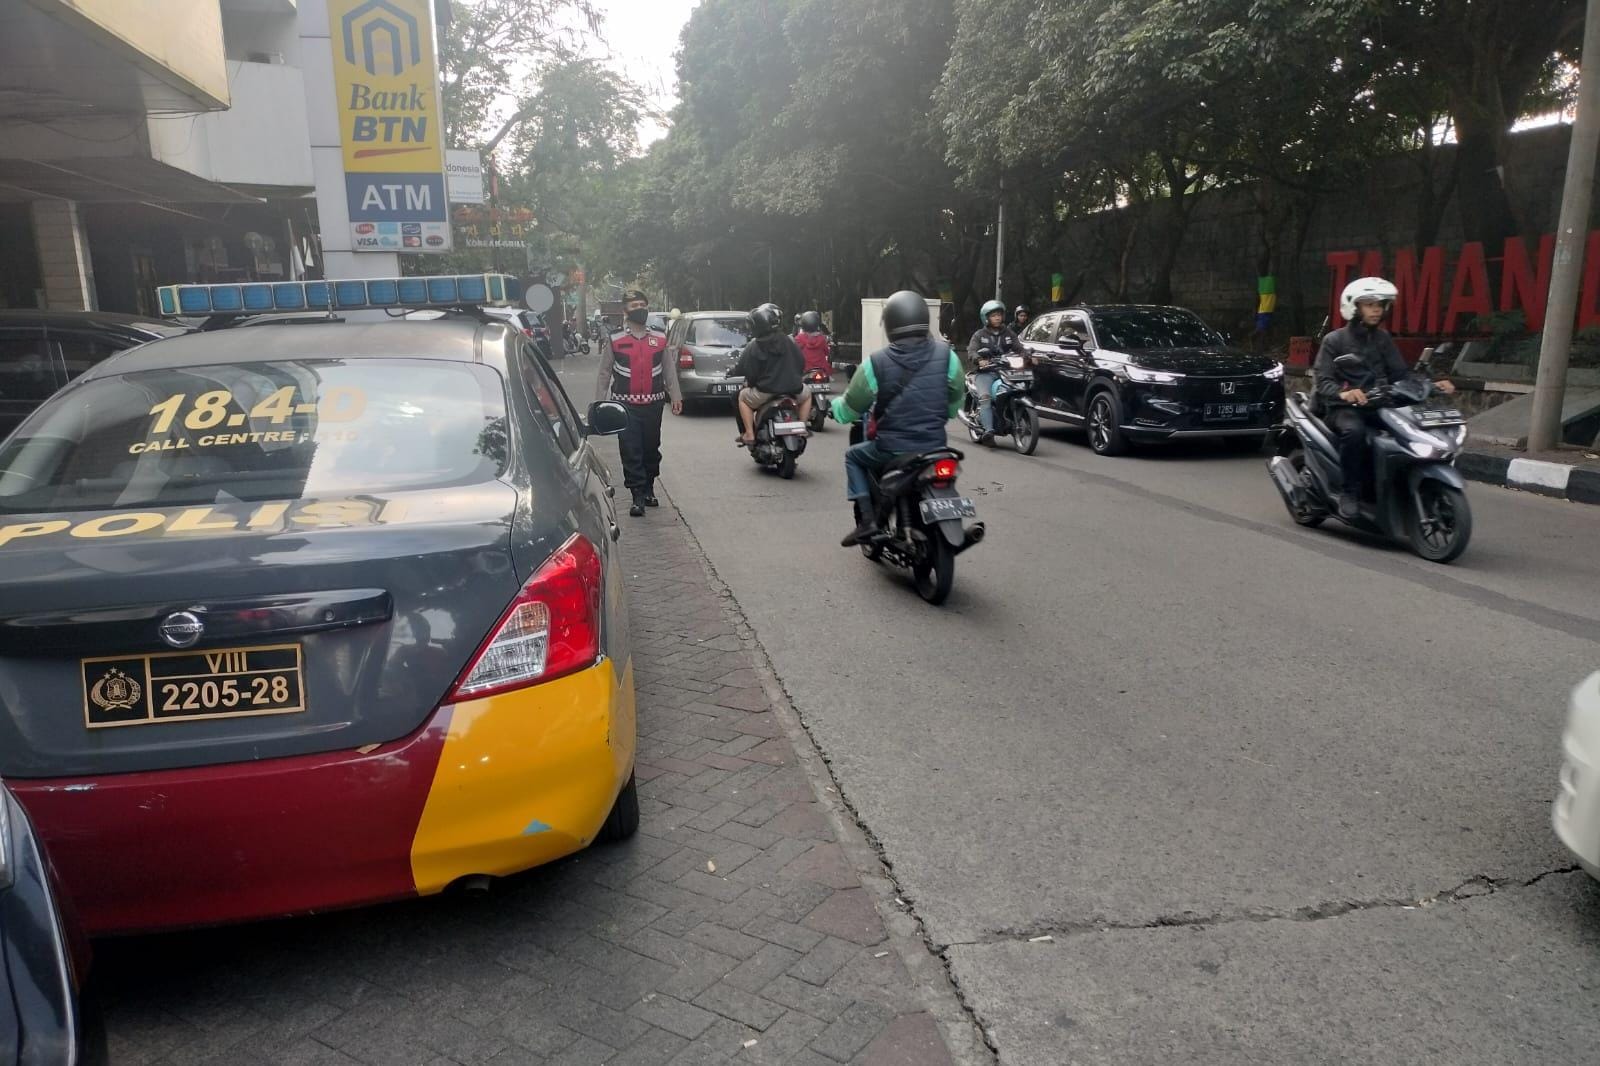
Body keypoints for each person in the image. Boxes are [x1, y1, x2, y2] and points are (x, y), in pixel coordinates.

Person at [831, 290, 965, 546]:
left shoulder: (875, 363)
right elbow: (954, 400)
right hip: (935, 447)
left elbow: (850, 409)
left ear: (890, 325)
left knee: (853, 457)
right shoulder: (948, 357)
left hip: (892, 449)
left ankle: (868, 521)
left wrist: (834, 408)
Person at [1314, 276, 1455, 519]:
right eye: (1369, 304)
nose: (1376, 310)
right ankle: (1350, 492)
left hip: (1380, 405)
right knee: (1355, 432)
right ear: (1354, 307)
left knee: (1411, 430)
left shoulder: (1383, 338)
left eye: (1380, 304)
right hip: (1343, 409)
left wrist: (1432, 385)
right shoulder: (1334, 340)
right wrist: (1344, 393)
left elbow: (1401, 374)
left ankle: (1403, 485)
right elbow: (1323, 380)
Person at [595, 288, 682, 517]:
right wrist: (599, 404)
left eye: (642, 305)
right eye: (634, 306)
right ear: (625, 311)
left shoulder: (659, 338)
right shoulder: (615, 339)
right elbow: (604, 373)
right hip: (625, 407)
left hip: (654, 404)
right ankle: (637, 496)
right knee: (631, 449)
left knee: (651, 448)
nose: (640, 309)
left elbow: (669, 369)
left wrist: (676, 396)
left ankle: (649, 488)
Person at [732, 303, 809, 445]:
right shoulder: (789, 340)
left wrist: (748, 381)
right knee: (808, 394)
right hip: (793, 389)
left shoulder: (754, 345)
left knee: (741, 397)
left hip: (765, 391)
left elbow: (748, 371)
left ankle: (749, 434)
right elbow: (801, 362)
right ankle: (802, 428)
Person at [965, 299, 1025, 444]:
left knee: (1019, 389)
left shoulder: (1009, 333)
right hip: (985, 373)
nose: (997, 318)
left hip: (1005, 371)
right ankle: (988, 431)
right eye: (993, 315)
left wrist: (1029, 356)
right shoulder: (979, 335)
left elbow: (1019, 348)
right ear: (986, 318)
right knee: (985, 398)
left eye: (999, 315)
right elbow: (971, 351)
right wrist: (979, 359)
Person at [794, 310, 833, 377]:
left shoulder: (799, 338)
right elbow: (827, 352)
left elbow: (795, 353)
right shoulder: (821, 338)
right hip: (822, 369)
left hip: (805, 370)